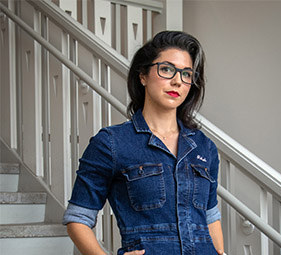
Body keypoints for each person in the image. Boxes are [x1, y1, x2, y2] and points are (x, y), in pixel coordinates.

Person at [63, 30, 224, 255]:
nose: (178, 81)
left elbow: (210, 215)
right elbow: (78, 218)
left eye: (187, 74)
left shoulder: (204, 147)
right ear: (143, 75)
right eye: (167, 69)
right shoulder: (111, 143)